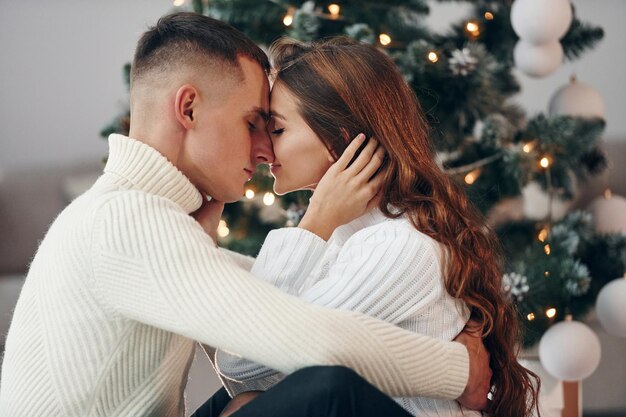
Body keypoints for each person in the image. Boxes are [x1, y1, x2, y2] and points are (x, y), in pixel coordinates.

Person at [0, 13, 490, 417]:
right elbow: (306, 336)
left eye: (272, 128)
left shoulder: (138, 215)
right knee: (327, 389)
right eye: (254, 123)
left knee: (252, 400)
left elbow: (264, 302)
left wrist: (221, 244)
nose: (261, 149)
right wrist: (458, 371)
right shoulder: (126, 220)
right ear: (188, 109)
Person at [213, 37, 540, 417]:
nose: (263, 149)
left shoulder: (398, 246)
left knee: (242, 404)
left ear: (341, 138)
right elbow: (249, 359)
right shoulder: (350, 234)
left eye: (278, 130)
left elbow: (241, 365)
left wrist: (312, 226)